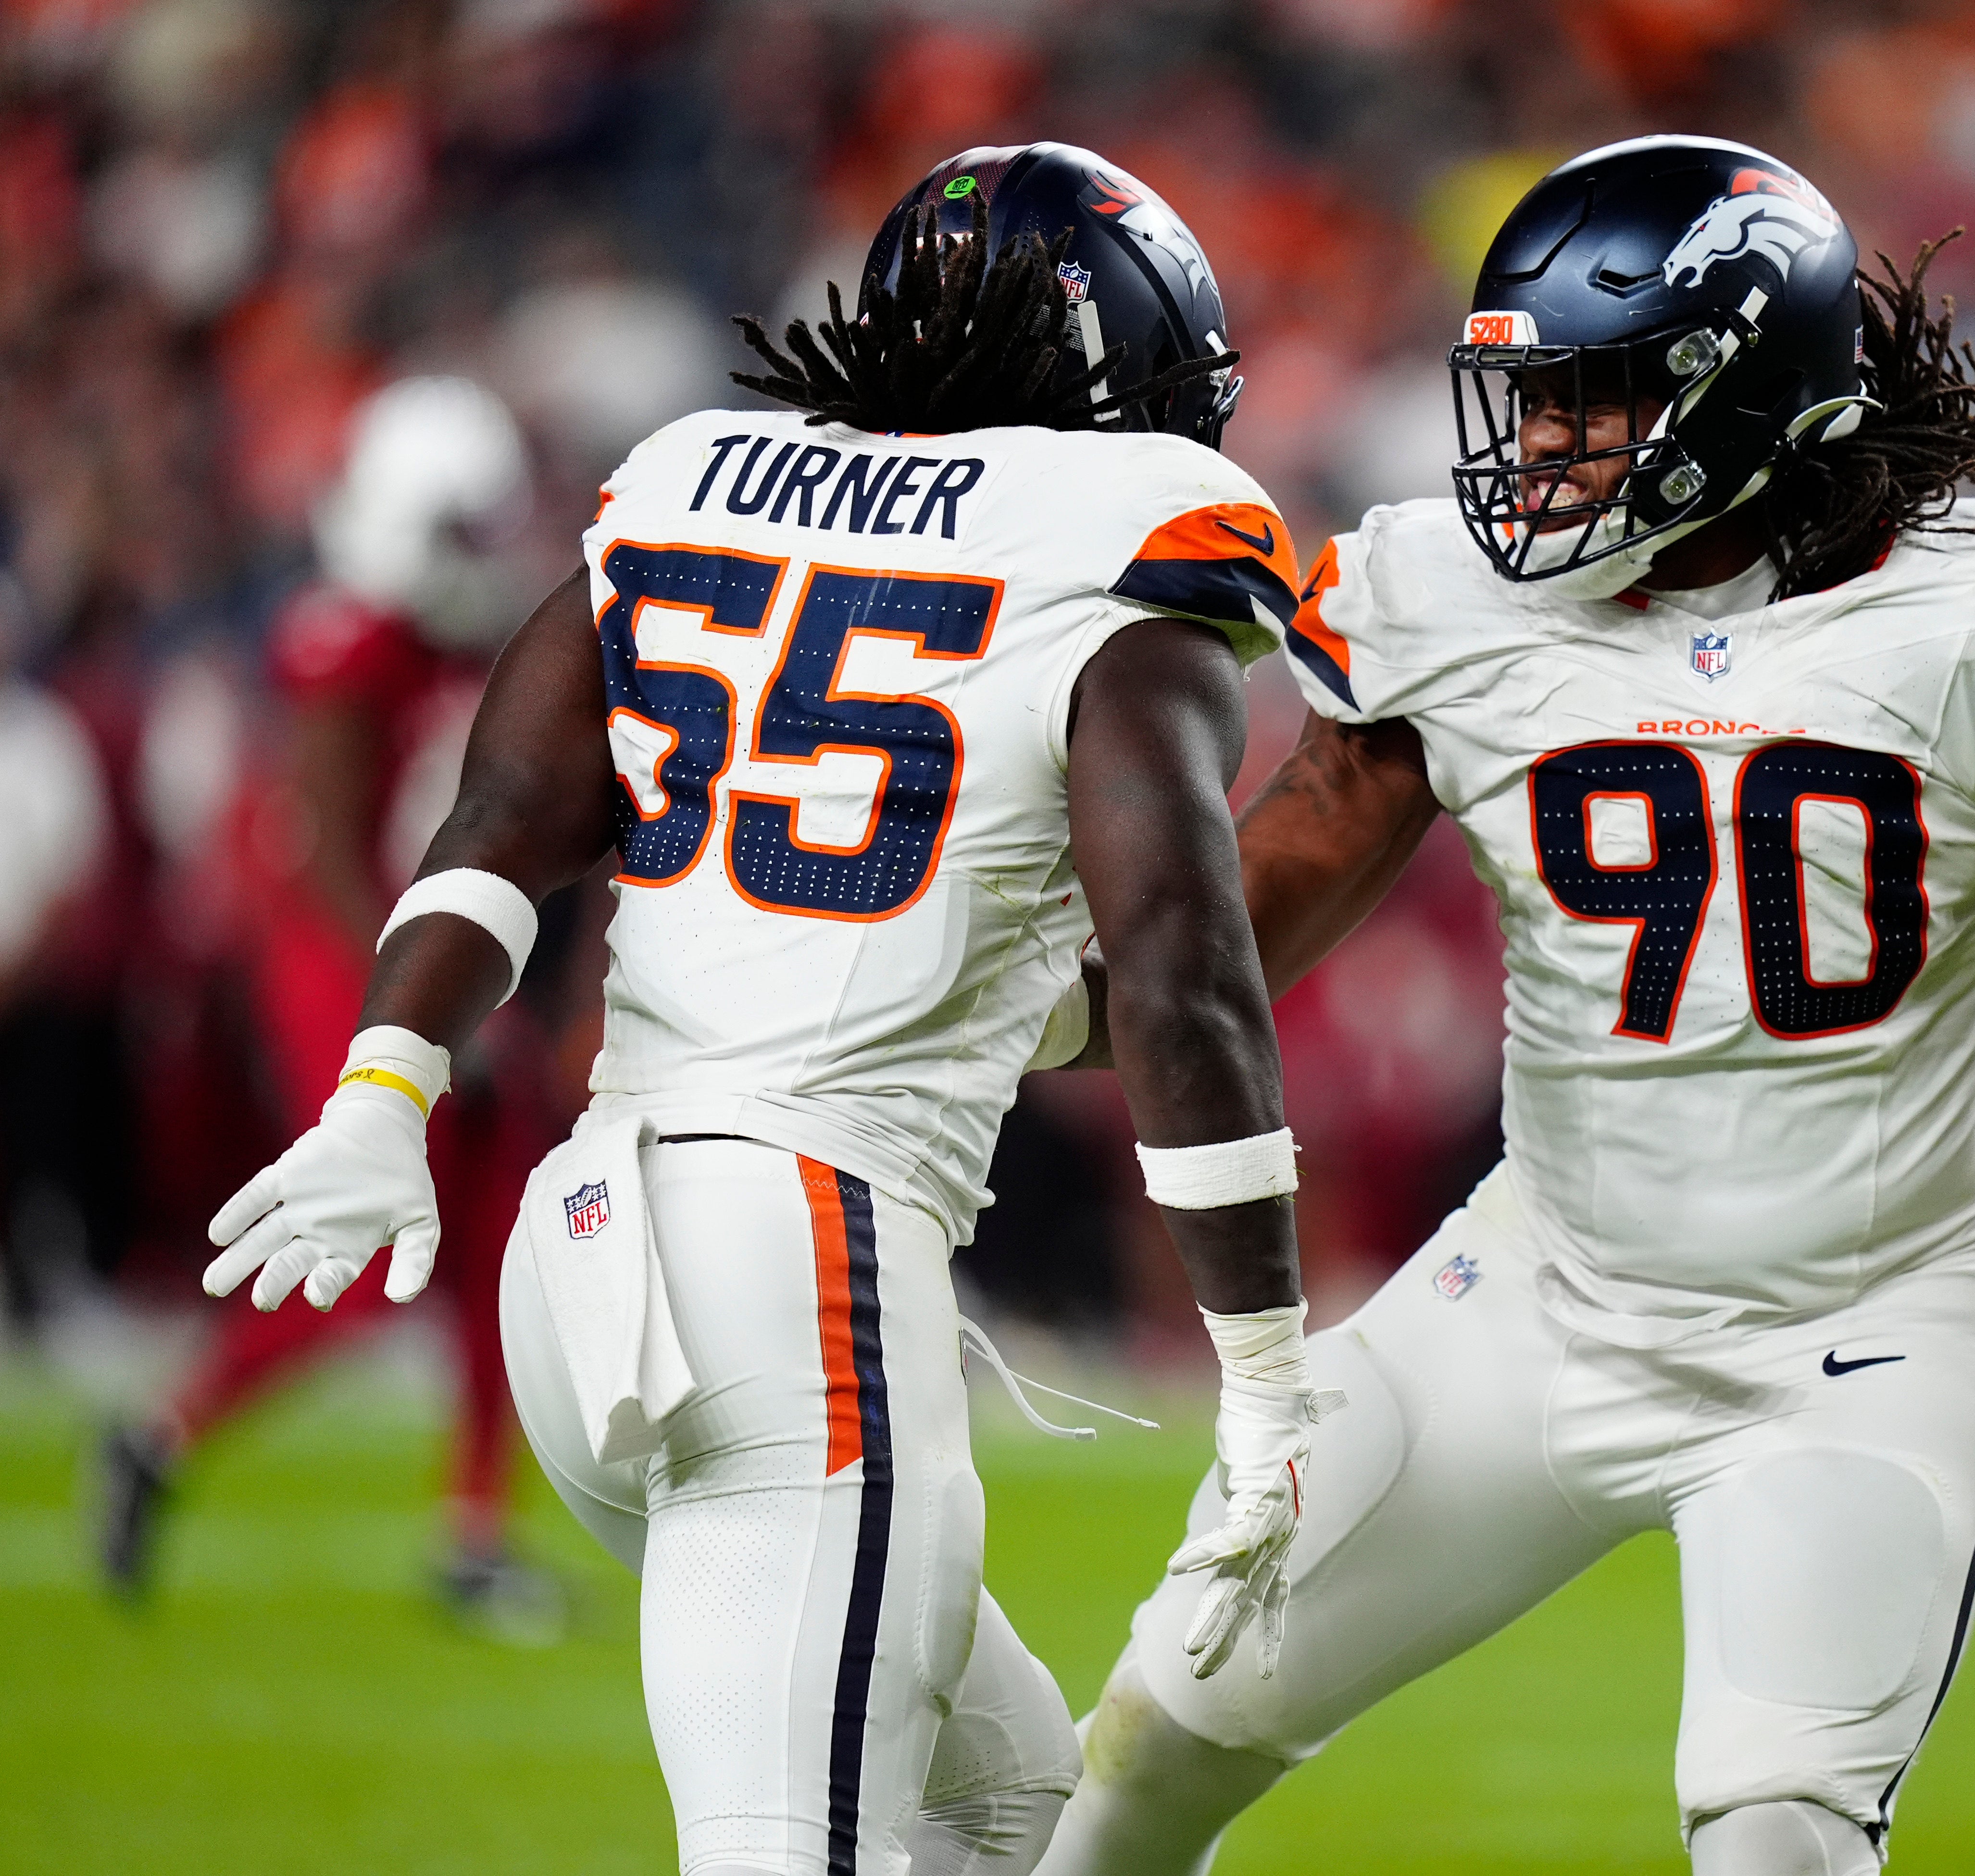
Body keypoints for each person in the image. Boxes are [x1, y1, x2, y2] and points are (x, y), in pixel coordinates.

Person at [1042, 137, 1975, 1876]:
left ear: (1747, 391)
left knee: (1779, 1836)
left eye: (1592, 398)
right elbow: (1228, 934)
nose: (1539, 445)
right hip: (1536, 1298)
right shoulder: (1450, 607)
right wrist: (1021, 1011)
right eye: (1530, 397)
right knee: (1160, 1731)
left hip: (1854, 1342)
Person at [196, 144, 1341, 1876]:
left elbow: (505, 823)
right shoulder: (1125, 535)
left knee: (1025, 1820)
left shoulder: (695, 479)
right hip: (795, 1276)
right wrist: (1263, 1377)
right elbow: (1182, 969)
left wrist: (382, 1091)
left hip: (586, 1266)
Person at [100, 376, 562, 1631]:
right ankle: (160, 1433)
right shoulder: (348, 642)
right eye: (463, 528)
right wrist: (429, 1004)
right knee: (362, 1247)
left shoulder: (426, 641)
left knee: (504, 1237)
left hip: (416, 952)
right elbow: (324, 851)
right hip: (348, 961)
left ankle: (476, 1531)